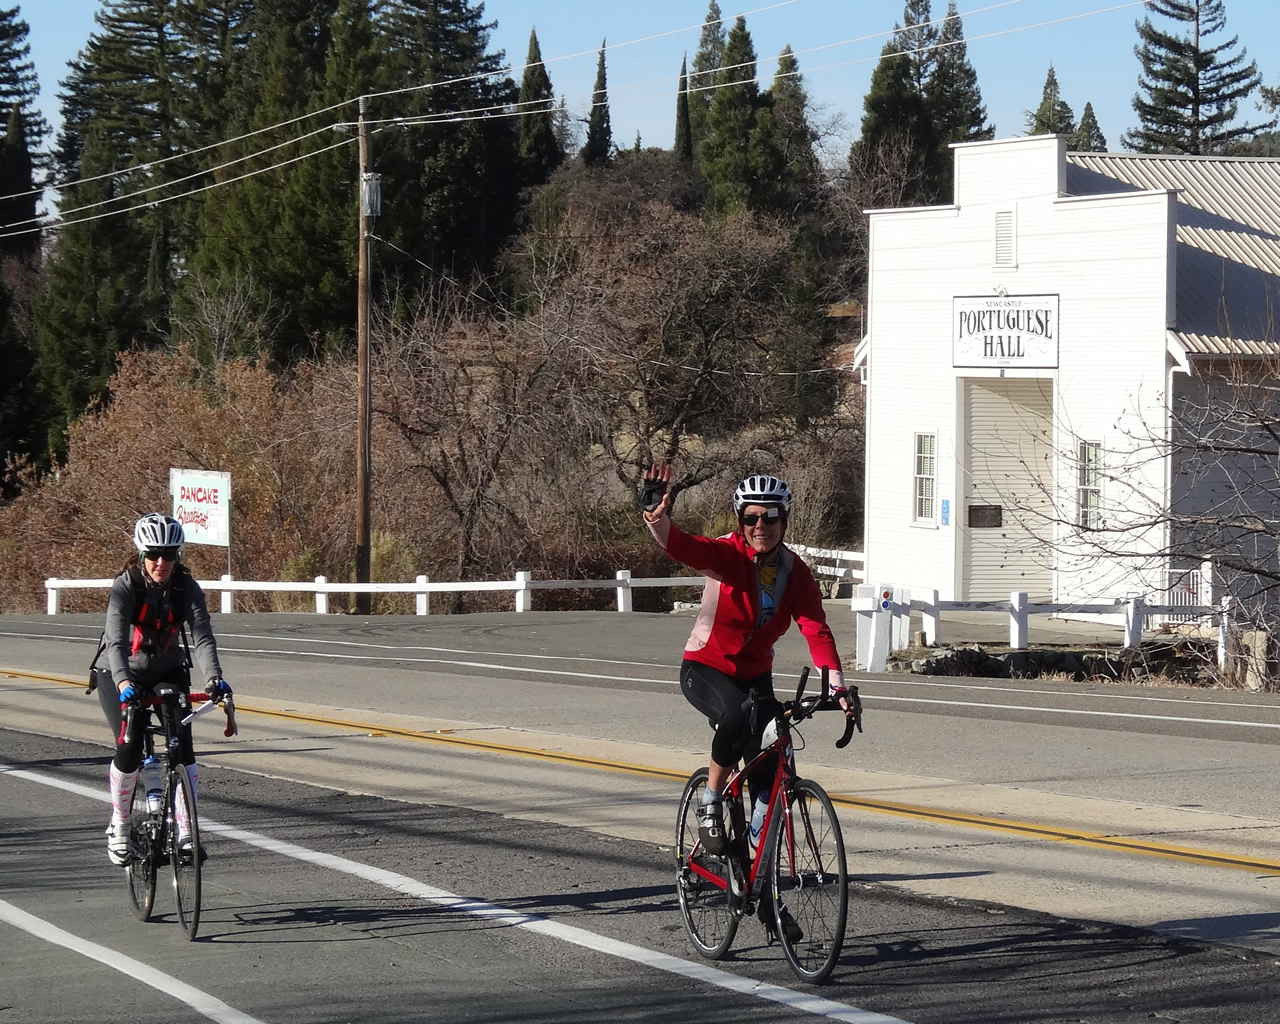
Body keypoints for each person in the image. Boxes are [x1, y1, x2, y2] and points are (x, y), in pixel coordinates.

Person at [642, 464, 854, 936]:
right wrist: (658, 518)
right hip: (706, 668)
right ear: (740, 521)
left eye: (771, 517)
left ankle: (763, 891)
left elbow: (816, 629)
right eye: (751, 518)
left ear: (784, 521)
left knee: (771, 773)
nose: (761, 526)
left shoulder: (795, 573)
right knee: (737, 718)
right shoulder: (728, 555)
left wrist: (837, 687)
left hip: (756, 676)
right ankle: (711, 802)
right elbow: (684, 547)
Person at [98, 513, 231, 866]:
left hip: (168, 669)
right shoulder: (126, 586)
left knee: (182, 744)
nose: (161, 562)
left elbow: (203, 636)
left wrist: (214, 678)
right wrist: (124, 682)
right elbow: (115, 642)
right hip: (121, 672)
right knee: (129, 746)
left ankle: (186, 829)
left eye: (169, 555)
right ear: (142, 555)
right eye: (154, 555)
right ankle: (120, 824)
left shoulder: (186, 587)